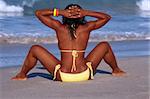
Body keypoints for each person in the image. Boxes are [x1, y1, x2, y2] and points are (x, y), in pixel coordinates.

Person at [12, 4, 125, 82]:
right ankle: (116, 70)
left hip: (62, 76)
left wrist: (60, 12)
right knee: (104, 45)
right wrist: (86, 12)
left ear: (65, 16)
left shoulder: (59, 27)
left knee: (35, 49)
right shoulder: (87, 27)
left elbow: (38, 13)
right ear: (81, 17)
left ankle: (22, 75)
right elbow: (107, 17)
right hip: (85, 74)